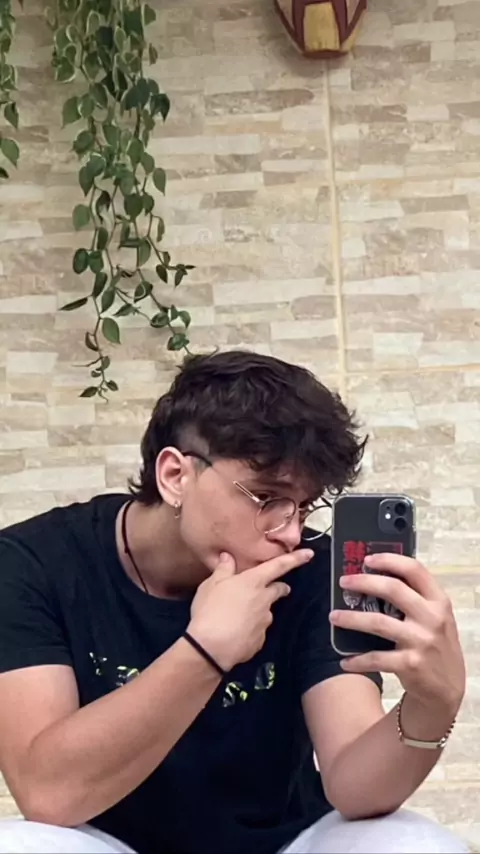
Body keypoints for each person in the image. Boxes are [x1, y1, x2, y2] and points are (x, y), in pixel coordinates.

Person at [0, 350, 467, 854]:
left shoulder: (310, 569)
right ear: (175, 475)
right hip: (110, 844)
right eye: (267, 498)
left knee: (413, 845)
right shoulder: (34, 563)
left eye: (303, 506)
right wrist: (205, 651)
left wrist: (433, 704)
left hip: (286, 844)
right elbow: (47, 795)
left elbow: (354, 787)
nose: (290, 533)